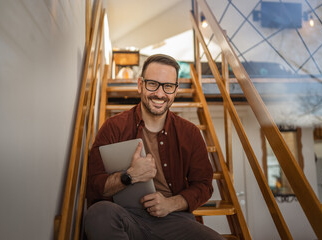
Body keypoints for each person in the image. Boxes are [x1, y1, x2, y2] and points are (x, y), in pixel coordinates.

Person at [85, 54, 224, 239]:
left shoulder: (190, 133)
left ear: (175, 90)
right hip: (126, 218)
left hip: (174, 219)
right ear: (140, 85)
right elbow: (94, 185)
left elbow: (204, 185)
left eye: (168, 86)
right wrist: (129, 176)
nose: (159, 94)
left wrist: (171, 204)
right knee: (98, 214)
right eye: (153, 84)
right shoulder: (113, 127)